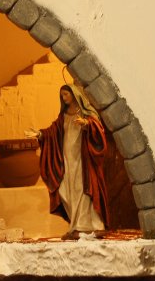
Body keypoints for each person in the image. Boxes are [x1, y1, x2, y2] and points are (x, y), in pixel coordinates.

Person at [27, 85, 108, 236]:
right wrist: (40, 134)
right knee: (65, 189)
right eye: (62, 95)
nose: (63, 98)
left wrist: (87, 124)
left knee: (82, 188)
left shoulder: (86, 113)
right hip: (66, 158)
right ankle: (75, 224)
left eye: (66, 94)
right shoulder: (64, 115)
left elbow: (98, 129)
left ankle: (89, 225)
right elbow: (53, 131)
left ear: (74, 94)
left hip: (82, 159)